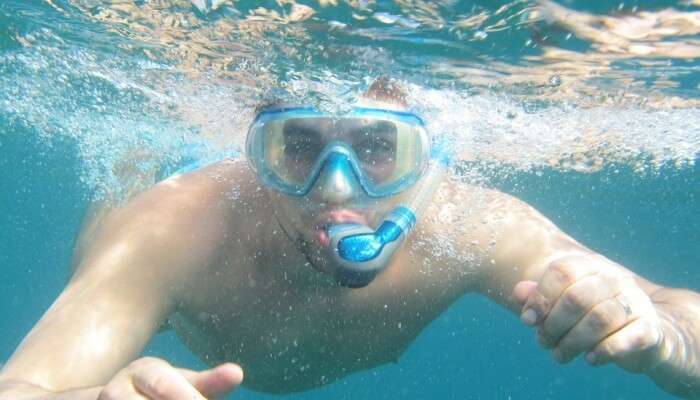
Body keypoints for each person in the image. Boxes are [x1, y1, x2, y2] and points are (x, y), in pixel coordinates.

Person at [0, 78, 698, 400]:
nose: (336, 189)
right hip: (159, 201)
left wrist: (664, 338)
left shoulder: (470, 224)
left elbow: (676, 311)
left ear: (428, 161)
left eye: (377, 147)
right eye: (295, 146)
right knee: (99, 248)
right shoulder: (175, 225)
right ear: (256, 157)